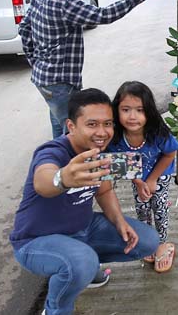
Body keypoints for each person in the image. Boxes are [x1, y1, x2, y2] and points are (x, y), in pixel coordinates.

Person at [9, 88, 160, 315]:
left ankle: (83, 270)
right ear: (71, 126)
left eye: (108, 124)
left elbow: (104, 191)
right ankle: (56, 308)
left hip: (83, 229)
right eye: (92, 124)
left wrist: (120, 222)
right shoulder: (52, 151)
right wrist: (63, 178)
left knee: (148, 241)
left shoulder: (99, 150)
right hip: (36, 241)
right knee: (81, 263)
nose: (102, 132)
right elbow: (43, 180)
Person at [19, 0, 169, 139]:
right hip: (60, 84)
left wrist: (36, 62)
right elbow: (105, 15)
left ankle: (59, 164)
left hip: (45, 80)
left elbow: (24, 29)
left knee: (61, 127)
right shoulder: (64, 2)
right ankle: (67, 168)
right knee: (74, 135)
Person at [108, 81, 178, 273]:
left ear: (149, 111)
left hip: (160, 175)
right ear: (116, 111)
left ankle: (162, 244)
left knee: (159, 208)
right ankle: (149, 241)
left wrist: (152, 179)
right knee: (141, 208)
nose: (132, 117)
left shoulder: (157, 132)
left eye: (139, 110)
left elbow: (170, 154)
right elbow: (121, 164)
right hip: (137, 177)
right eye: (126, 109)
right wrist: (139, 182)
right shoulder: (116, 136)